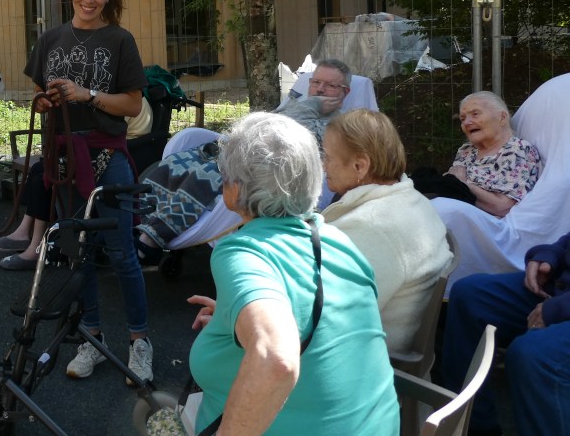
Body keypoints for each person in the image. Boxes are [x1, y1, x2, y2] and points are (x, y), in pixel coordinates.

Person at [186, 112, 399, 435]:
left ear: (236, 189)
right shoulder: (338, 240)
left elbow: (274, 356)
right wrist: (237, 314)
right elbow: (323, 322)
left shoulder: (241, 250)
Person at [9, 0, 153, 385]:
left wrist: (87, 94)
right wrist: (45, 101)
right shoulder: (50, 39)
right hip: (65, 159)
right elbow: (37, 95)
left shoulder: (120, 39)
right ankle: (91, 337)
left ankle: (139, 342)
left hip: (108, 156)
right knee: (79, 253)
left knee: (123, 253)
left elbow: (132, 104)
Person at [134, 59, 352, 257]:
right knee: (176, 163)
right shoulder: (298, 105)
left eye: (330, 85)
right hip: (238, 151)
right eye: (316, 82)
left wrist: (312, 106)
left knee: (205, 176)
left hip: (265, 169)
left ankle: (151, 238)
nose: (320, 89)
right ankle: (141, 218)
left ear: (345, 91)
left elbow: (290, 135)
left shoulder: (339, 124)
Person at [321, 109, 451, 353]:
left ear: (360, 166)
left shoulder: (370, 226)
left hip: (365, 357)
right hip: (384, 342)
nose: (323, 165)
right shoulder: (409, 198)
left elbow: (327, 316)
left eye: (327, 157)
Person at [0, 98, 154, 265]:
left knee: (44, 181)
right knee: (39, 169)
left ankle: (38, 246)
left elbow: (108, 128)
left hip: (113, 151)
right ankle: (25, 233)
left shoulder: (124, 100)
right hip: (91, 146)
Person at [439, 229, 570, 436]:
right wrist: (550, 255)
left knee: (533, 354)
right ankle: (475, 425)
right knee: (470, 296)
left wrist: (558, 309)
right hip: (561, 288)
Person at [413, 90, 542, 218]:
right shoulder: (466, 150)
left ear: (502, 118)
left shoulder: (516, 150)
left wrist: (462, 184)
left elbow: (503, 208)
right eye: (462, 118)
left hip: (488, 225)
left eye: (475, 114)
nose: (466, 122)